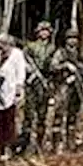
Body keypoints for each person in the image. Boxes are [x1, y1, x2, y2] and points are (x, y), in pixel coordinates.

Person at [49, 27, 83, 151]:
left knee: (73, 116)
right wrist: (65, 65)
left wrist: (80, 69)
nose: (73, 41)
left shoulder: (79, 54)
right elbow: (53, 66)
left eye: (75, 38)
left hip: (76, 88)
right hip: (63, 86)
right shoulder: (61, 52)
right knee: (59, 114)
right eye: (70, 38)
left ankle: (70, 143)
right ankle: (56, 144)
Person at [0, 33, 27, 158]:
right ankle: (0, 147)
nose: (2, 46)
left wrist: (19, 87)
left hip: (12, 90)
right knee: (0, 121)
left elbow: (21, 71)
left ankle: (10, 147)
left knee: (10, 120)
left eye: (4, 43)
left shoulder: (17, 54)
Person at [22, 21, 54, 152]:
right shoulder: (30, 46)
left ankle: (39, 144)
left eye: (46, 31)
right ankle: (24, 144)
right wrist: (30, 70)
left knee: (43, 115)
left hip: (45, 82)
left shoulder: (52, 48)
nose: (44, 33)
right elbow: (23, 61)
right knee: (28, 115)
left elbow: (53, 65)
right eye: (42, 30)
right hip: (31, 84)